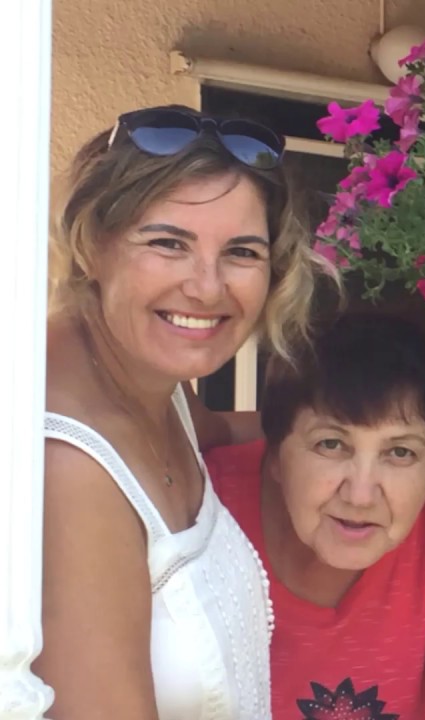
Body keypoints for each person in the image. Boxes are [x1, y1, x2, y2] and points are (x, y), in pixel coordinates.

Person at [39, 105, 321, 719]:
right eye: (168, 243)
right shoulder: (68, 465)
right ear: (92, 244)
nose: (207, 287)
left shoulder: (157, 388)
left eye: (242, 252)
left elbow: (228, 428)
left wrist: (373, 439)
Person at [204, 312, 425, 720]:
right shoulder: (200, 503)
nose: (360, 496)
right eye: (330, 444)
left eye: (400, 452)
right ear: (274, 456)